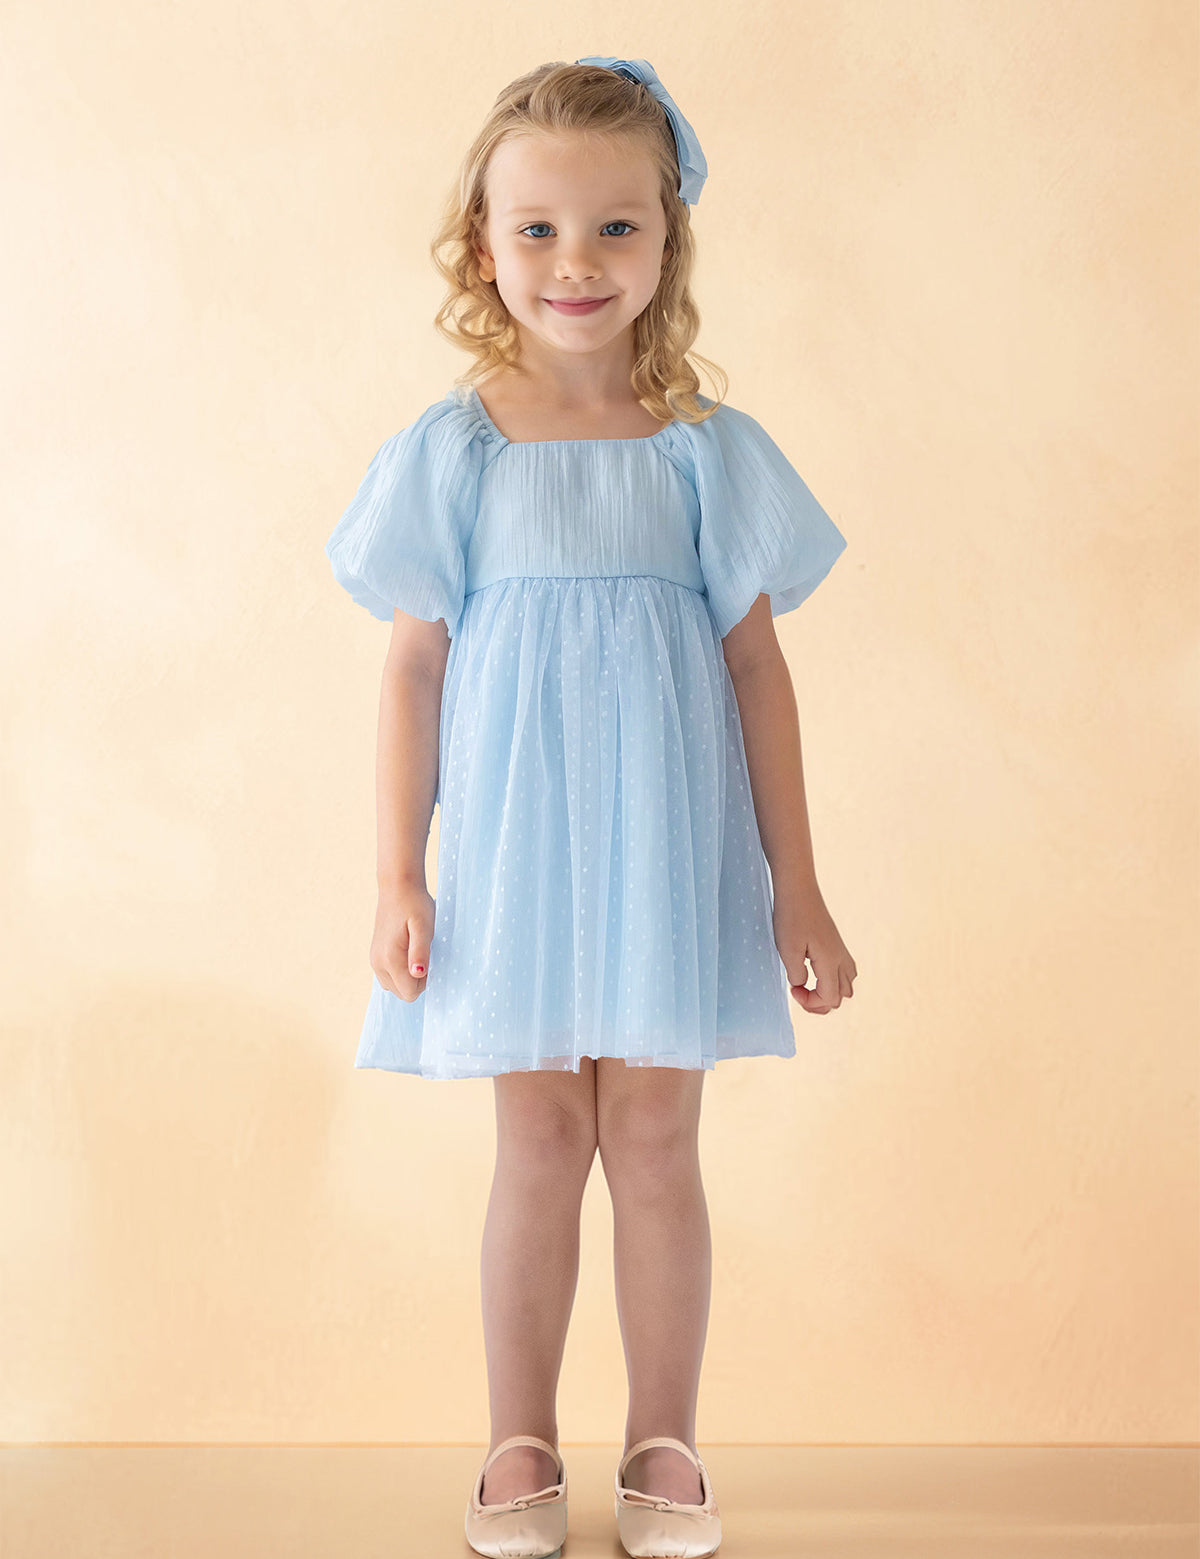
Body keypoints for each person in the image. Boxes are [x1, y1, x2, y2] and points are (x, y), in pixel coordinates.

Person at [324, 54, 857, 1559]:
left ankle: (666, 1442)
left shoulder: (704, 452)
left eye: (617, 229)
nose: (577, 263)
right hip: (515, 852)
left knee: (661, 1139)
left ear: (668, 240)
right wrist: (397, 874)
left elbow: (758, 674)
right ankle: (516, 1441)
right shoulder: (456, 452)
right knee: (541, 1142)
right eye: (539, 230)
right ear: (482, 243)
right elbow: (413, 674)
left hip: (665, 848)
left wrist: (795, 886)